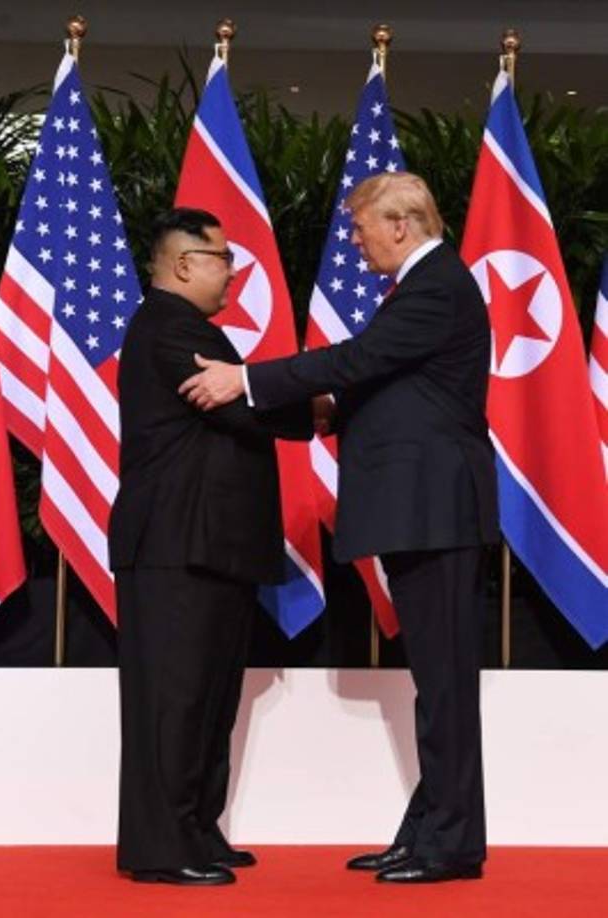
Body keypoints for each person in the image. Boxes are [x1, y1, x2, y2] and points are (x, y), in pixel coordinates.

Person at [179, 173, 499, 884]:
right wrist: (332, 415)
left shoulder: (436, 284)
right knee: (436, 681)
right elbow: (395, 386)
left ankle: (450, 845)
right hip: (421, 508)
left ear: (401, 224)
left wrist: (246, 380)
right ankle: (427, 834)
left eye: (359, 229)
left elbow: (360, 360)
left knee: (444, 684)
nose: (353, 244)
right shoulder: (424, 286)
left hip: (434, 508)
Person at [108, 207, 312, 886]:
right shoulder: (168, 328)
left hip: (210, 544)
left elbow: (247, 401)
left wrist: (281, 399)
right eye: (223, 258)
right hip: (174, 541)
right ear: (184, 263)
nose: (232, 270)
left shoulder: (195, 331)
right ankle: (161, 846)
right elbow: (241, 406)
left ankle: (196, 827)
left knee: (208, 697)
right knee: (175, 699)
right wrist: (320, 402)